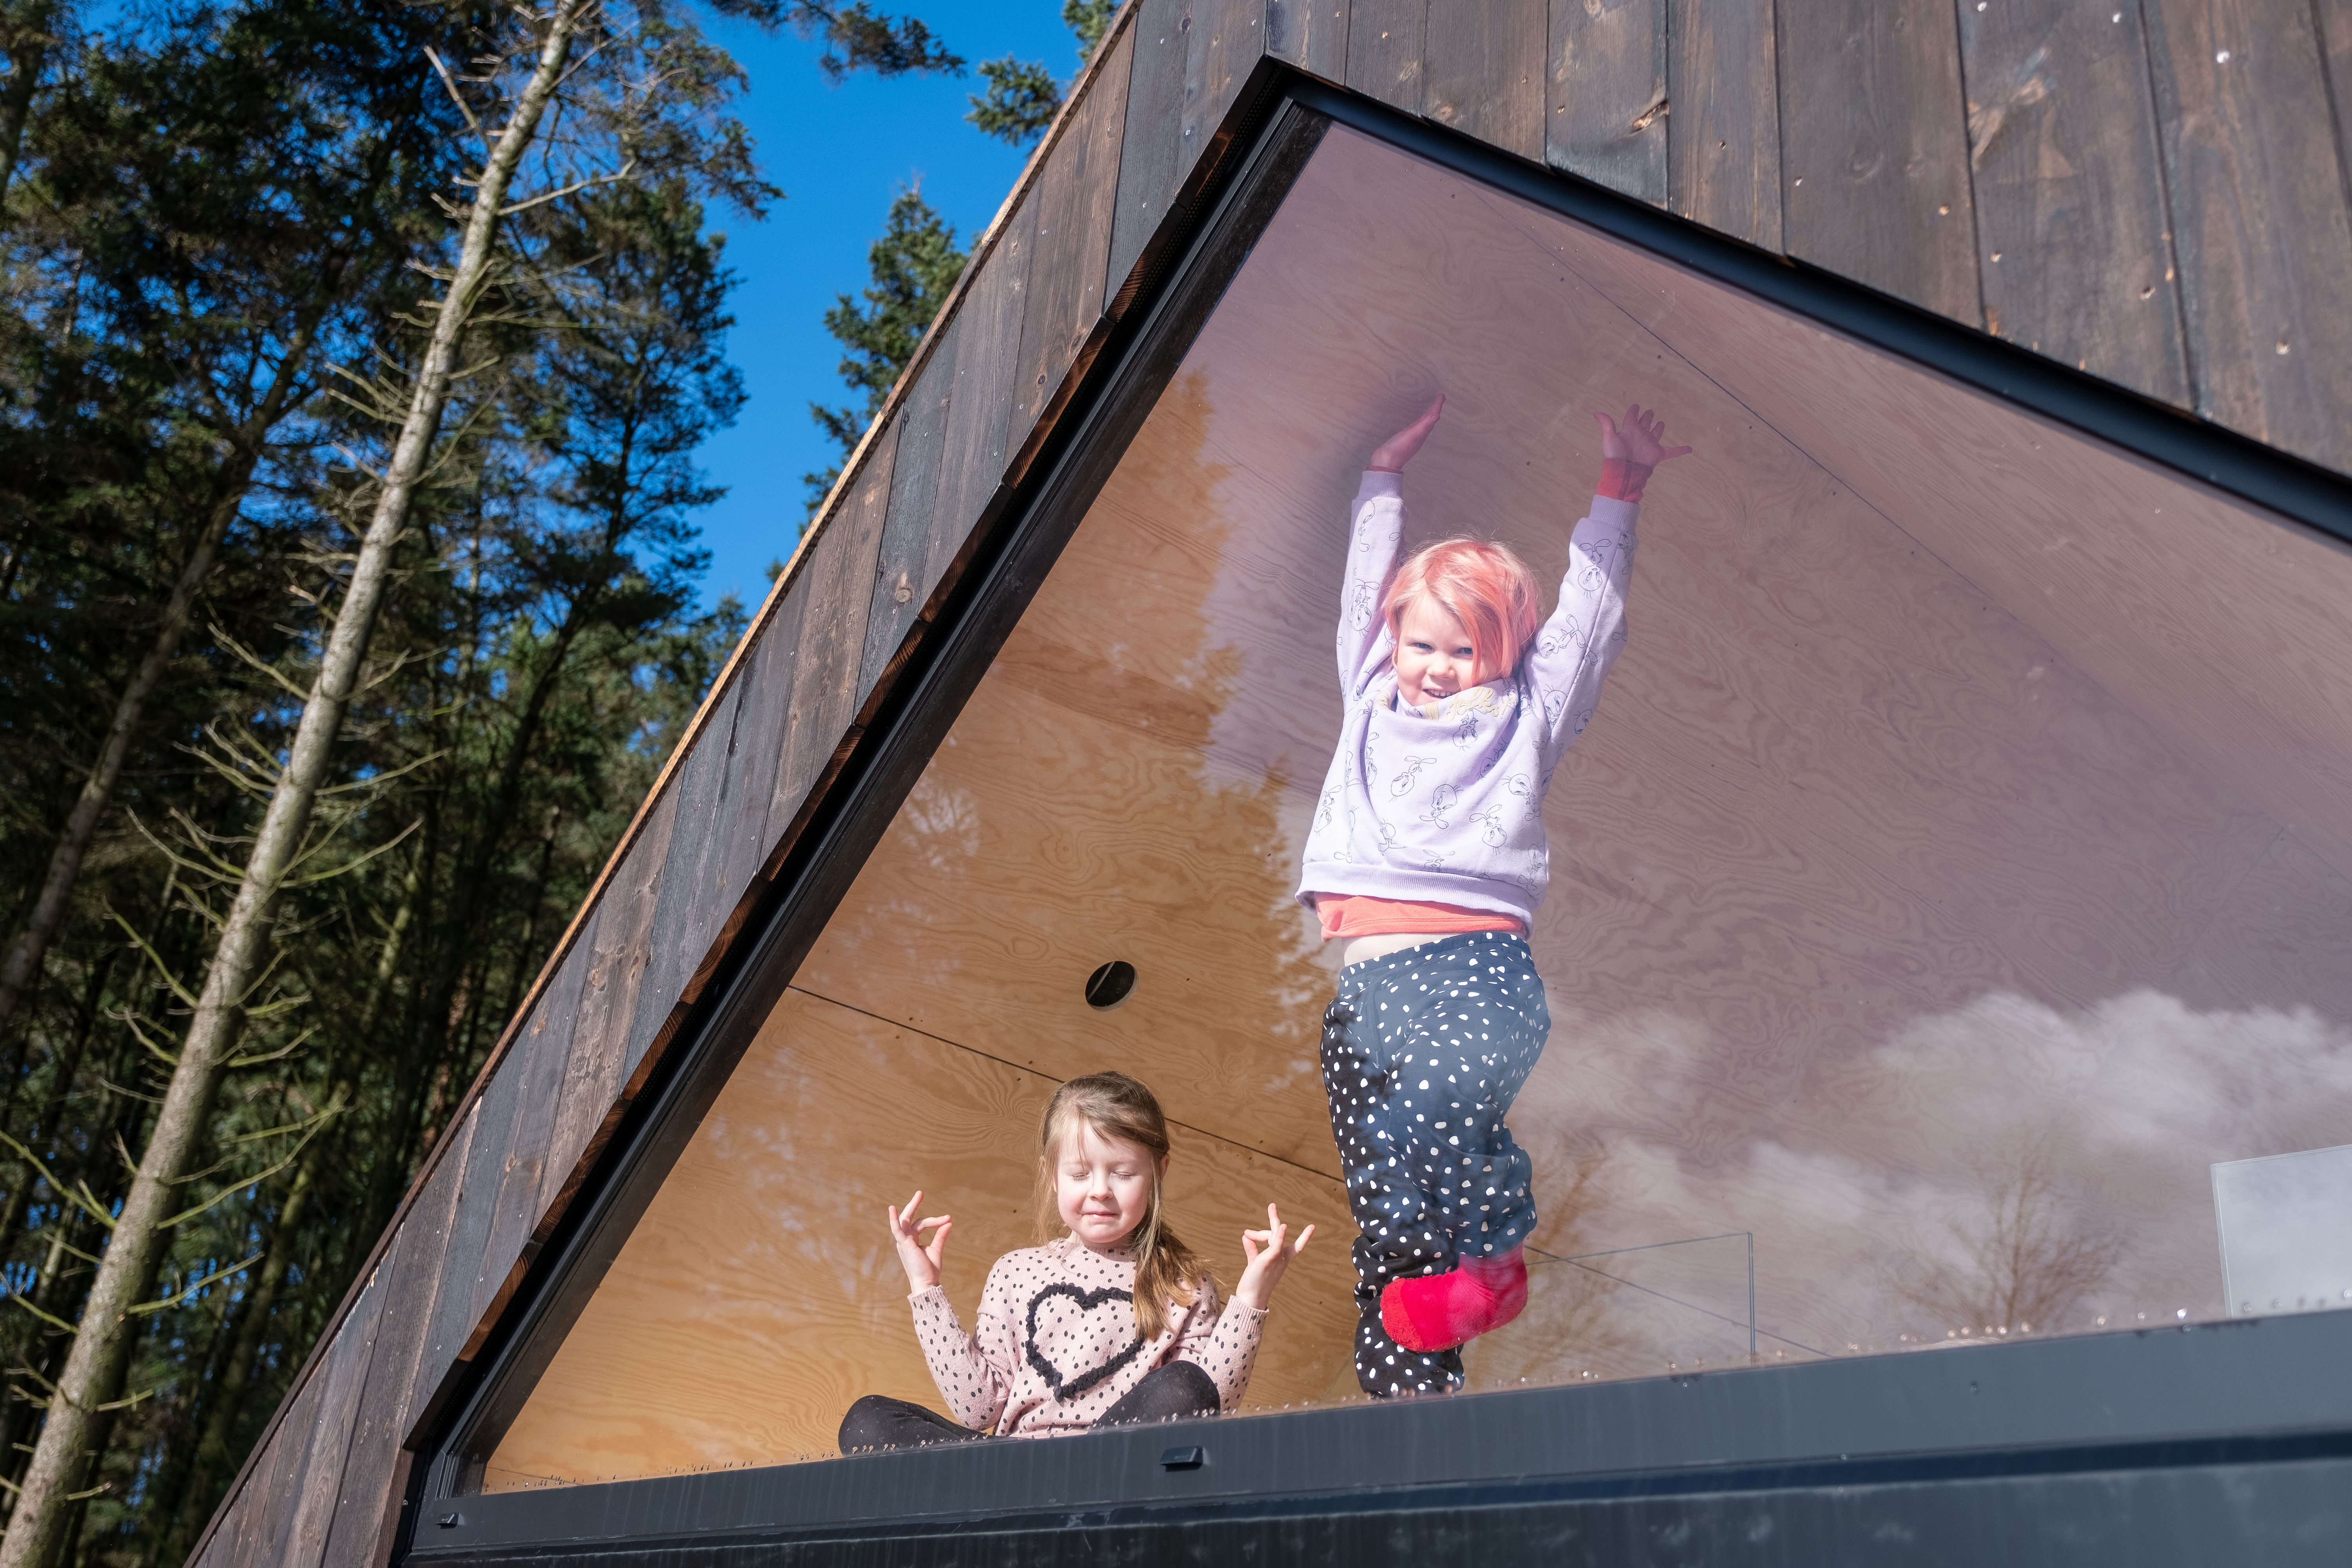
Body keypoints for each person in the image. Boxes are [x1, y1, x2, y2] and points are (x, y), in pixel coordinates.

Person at [1300, 394, 1691, 1397]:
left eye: (1461, 650)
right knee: (1383, 1198)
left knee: (1431, 1111)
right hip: (1366, 995)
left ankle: (1494, 1260)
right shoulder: (1371, 687)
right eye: (1421, 644)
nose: (1433, 669)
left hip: (1472, 973)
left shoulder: (1525, 713)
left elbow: (1589, 620)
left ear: (1503, 653)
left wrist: (1620, 488)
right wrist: (1380, 481)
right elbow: (1360, 597)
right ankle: (1412, 1390)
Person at [838, 1071, 1313, 1452]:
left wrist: (1252, 1298)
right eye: (1081, 1173)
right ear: (1052, 1174)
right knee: (867, 1420)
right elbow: (979, 1410)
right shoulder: (1015, 1272)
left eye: (1123, 1173)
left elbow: (1211, 1399)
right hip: (1011, 1464)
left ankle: (1046, 1501)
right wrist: (926, 1290)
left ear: (1158, 1172)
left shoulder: (1184, 1284)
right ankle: (1019, 1502)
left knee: (1183, 1385)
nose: (1101, 1189)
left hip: (1108, 1465)